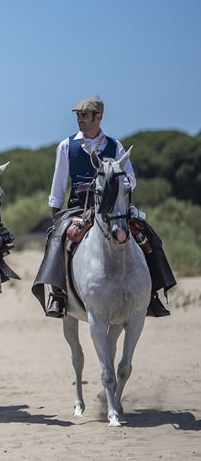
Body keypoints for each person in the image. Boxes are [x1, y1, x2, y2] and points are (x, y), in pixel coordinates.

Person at [32, 97, 173, 318]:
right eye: (78, 115)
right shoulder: (67, 145)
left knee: (147, 235)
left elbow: (131, 179)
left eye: (84, 115)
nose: (79, 119)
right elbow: (58, 183)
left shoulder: (115, 145)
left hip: (113, 205)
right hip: (79, 205)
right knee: (57, 238)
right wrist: (56, 214)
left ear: (98, 117)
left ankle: (152, 294)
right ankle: (58, 294)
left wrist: (111, 182)